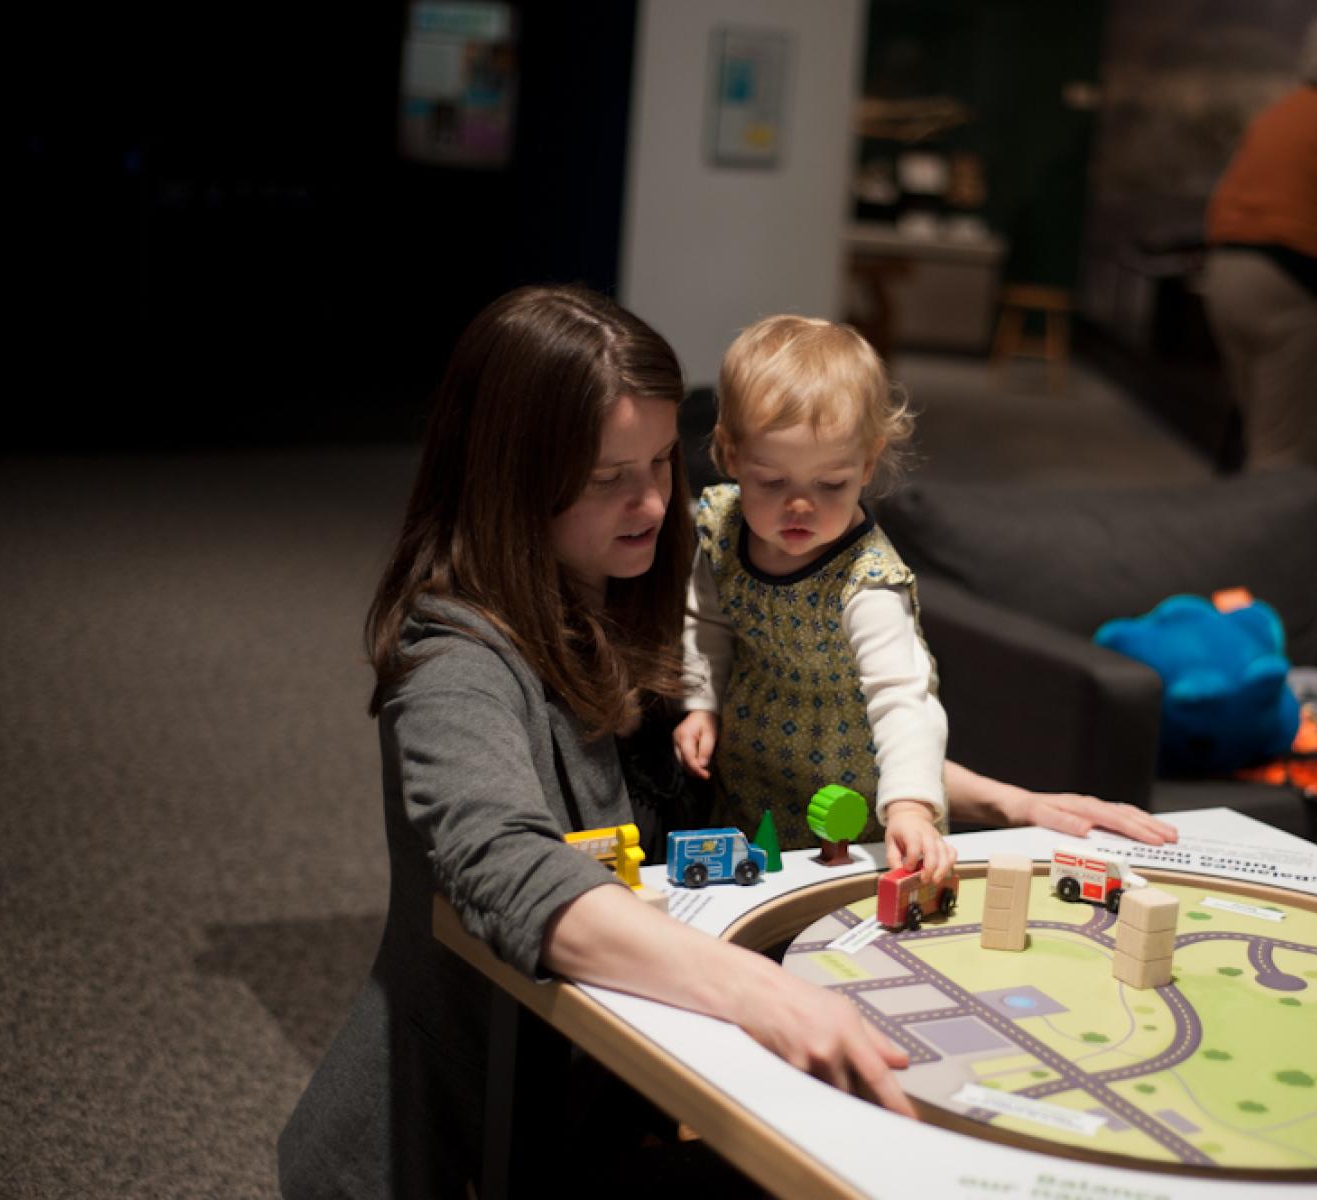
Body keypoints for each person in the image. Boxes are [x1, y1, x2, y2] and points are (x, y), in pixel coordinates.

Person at [278, 285, 1176, 1198]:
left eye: (664, 462)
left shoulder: (644, 590)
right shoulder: (454, 659)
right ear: (512, 476)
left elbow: (795, 738)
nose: (655, 503)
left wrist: (1007, 803)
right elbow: (506, 865)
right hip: (464, 1143)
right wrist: (758, 992)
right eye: (606, 477)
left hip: (610, 1104)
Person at [672, 315, 956, 880]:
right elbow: (705, 621)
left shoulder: (867, 579)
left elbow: (904, 697)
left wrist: (908, 805)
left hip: (859, 805)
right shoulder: (721, 526)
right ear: (730, 455)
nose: (799, 507)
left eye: (829, 485)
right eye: (772, 483)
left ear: (867, 465)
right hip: (751, 779)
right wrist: (700, 700)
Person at [1201, 2, 1317, 470]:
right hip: (1292, 290)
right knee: (1284, 449)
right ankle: (1271, 539)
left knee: (1258, 432)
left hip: (1225, 279)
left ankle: (1240, 526)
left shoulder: (1277, 115)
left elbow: (1221, 204)